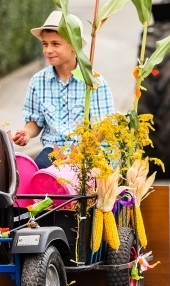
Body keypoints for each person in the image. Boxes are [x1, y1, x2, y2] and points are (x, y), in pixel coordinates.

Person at [12, 11, 116, 169]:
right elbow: (35, 121)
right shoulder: (38, 81)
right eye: (45, 44)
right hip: (52, 151)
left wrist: (79, 154)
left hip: (87, 152)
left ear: (74, 45)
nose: (48, 50)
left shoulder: (95, 82)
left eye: (55, 44)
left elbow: (103, 128)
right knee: (38, 171)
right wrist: (26, 132)